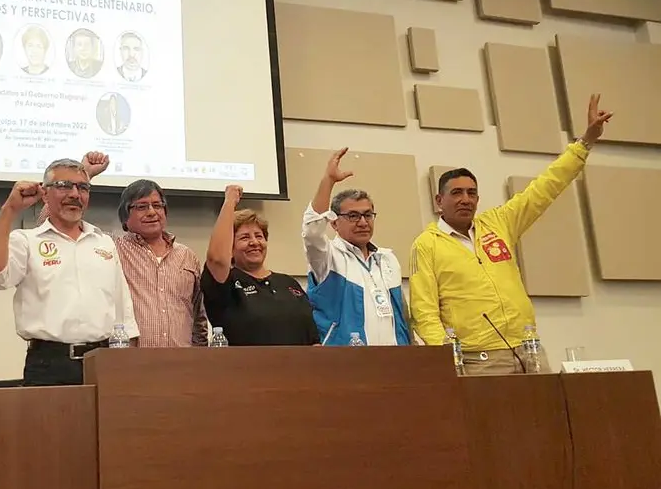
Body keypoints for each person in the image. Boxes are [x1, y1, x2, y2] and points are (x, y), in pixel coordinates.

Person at [409, 94, 613, 375]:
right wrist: (449, 361)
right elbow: (424, 312)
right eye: (456, 193)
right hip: (477, 361)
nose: (465, 199)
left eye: (471, 193)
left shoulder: (498, 223)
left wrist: (585, 143)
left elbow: (545, 187)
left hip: (529, 351)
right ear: (438, 200)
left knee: (546, 418)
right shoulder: (426, 245)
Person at [0, 159, 139, 386]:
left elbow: (122, 307)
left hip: (103, 361)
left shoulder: (103, 242)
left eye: (82, 188)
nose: (75, 194)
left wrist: (128, 358)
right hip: (48, 364)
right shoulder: (26, 241)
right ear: (45, 195)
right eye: (64, 186)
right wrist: (9, 210)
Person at [34, 152, 208, 347]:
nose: (152, 212)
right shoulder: (111, 247)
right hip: (130, 364)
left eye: (157, 205)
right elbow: (52, 223)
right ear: (125, 217)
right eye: (141, 207)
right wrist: (85, 177)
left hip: (182, 364)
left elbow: (198, 316)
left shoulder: (187, 255)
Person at [303, 148, 412, 346]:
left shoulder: (388, 259)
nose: (363, 222)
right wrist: (328, 180)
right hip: (346, 363)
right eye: (353, 216)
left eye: (368, 215)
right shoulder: (328, 257)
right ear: (334, 223)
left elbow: (403, 318)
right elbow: (312, 232)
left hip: (396, 362)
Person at [201, 185, 319, 346]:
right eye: (244, 238)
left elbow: (313, 340)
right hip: (247, 370)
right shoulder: (225, 284)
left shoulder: (288, 283)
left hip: (298, 369)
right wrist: (229, 202)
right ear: (230, 248)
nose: (254, 242)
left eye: (259, 236)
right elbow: (217, 259)